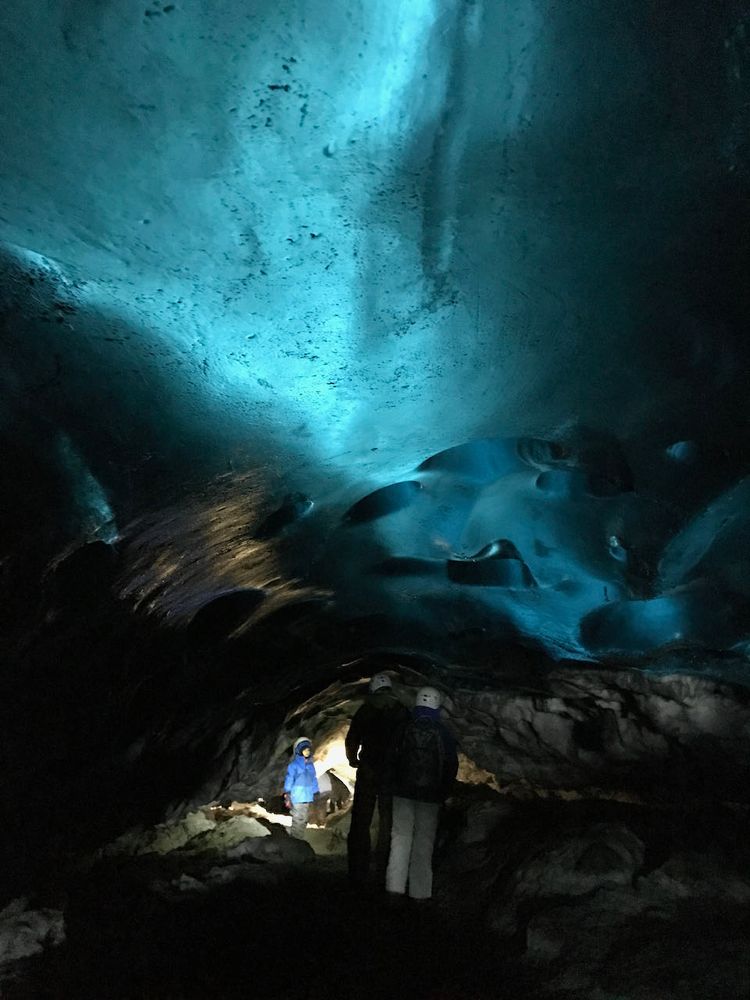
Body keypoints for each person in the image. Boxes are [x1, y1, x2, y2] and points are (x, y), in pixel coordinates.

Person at [385, 686, 458, 901]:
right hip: (430, 796)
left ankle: (394, 890)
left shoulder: (403, 728)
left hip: (402, 793)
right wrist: (443, 791)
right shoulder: (443, 732)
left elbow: (391, 759)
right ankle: (420, 894)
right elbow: (451, 764)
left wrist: (392, 785)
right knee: (423, 843)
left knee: (400, 840)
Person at [345, 672, 409, 885]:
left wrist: (353, 760)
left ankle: (358, 869)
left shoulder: (367, 709)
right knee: (387, 823)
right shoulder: (401, 710)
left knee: (361, 821)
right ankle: (385, 869)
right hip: (393, 774)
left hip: (369, 772)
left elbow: (352, 738)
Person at [284, 736, 319, 839]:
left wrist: (316, 791)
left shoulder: (310, 766)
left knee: (304, 817)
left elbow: (313, 779)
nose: (307, 752)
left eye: (308, 750)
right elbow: (289, 778)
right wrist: (288, 791)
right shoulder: (294, 765)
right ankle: (296, 838)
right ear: (299, 751)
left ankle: (298, 836)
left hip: (307, 795)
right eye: (305, 750)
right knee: (298, 817)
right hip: (297, 795)